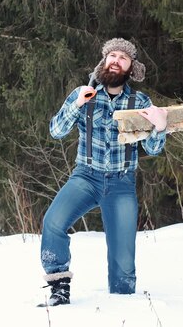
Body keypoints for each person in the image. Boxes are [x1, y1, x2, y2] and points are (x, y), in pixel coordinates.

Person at [39, 38, 168, 307]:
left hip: (122, 183)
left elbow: (153, 150)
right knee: (53, 223)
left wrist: (159, 128)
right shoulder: (83, 94)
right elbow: (56, 131)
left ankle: (121, 309)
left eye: (123, 57)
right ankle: (59, 288)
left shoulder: (139, 101)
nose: (116, 60)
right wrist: (76, 104)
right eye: (112, 55)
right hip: (85, 177)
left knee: (123, 265)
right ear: (104, 61)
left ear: (131, 68)